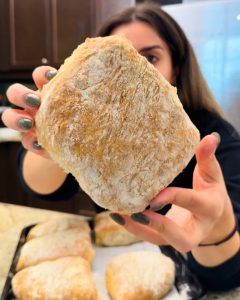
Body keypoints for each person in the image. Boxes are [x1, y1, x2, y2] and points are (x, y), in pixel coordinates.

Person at [2, 2, 240, 292]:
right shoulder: (94, 139)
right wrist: (53, 129)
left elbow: (228, 276)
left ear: (176, 69)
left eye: (150, 57)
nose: (133, 72)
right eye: (116, 64)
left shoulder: (214, 137)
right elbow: (38, 185)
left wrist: (215, 231)